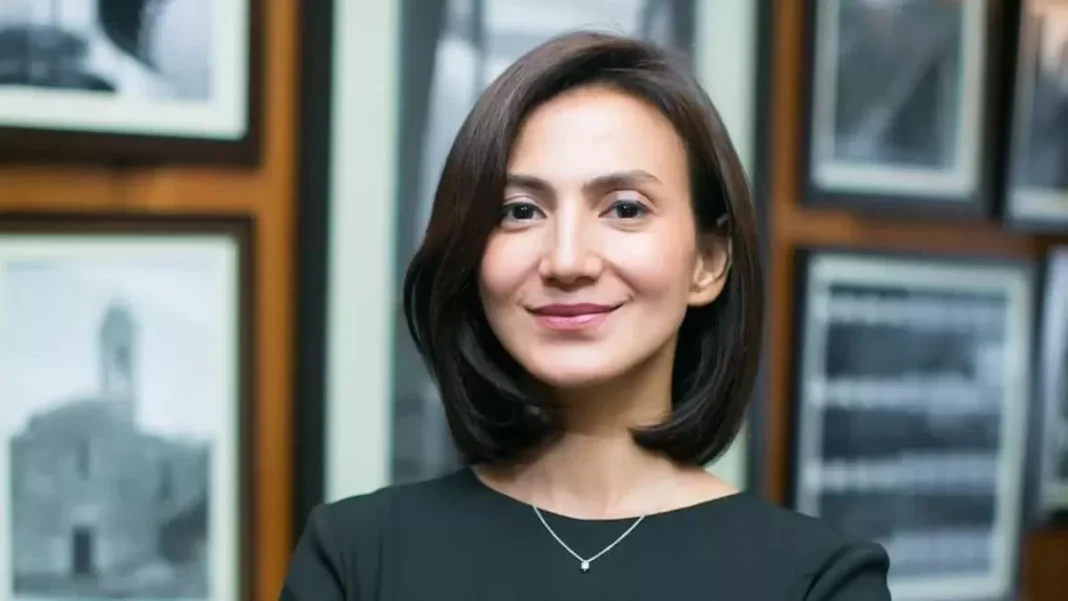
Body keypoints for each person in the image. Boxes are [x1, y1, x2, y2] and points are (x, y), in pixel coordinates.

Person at [281, 31, 891, 600]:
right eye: (520, 211)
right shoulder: (356, 554)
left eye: (625, 208)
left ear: (708, 262)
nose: (567, 261)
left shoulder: (817, 580)